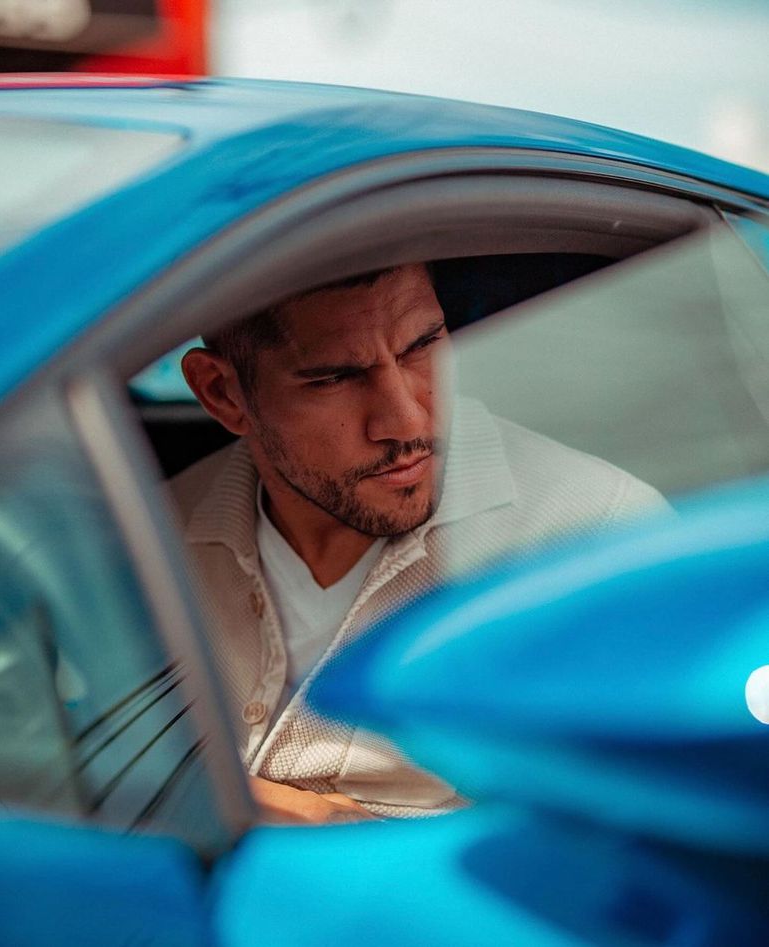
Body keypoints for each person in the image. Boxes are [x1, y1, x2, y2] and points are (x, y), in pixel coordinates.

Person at [172, 262, 666, 824]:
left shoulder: (601, 535)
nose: (407, 423)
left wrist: (308, 819)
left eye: (422, 345)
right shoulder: (142, 537)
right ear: (222, 393)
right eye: (334, 378)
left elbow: (637, 835)